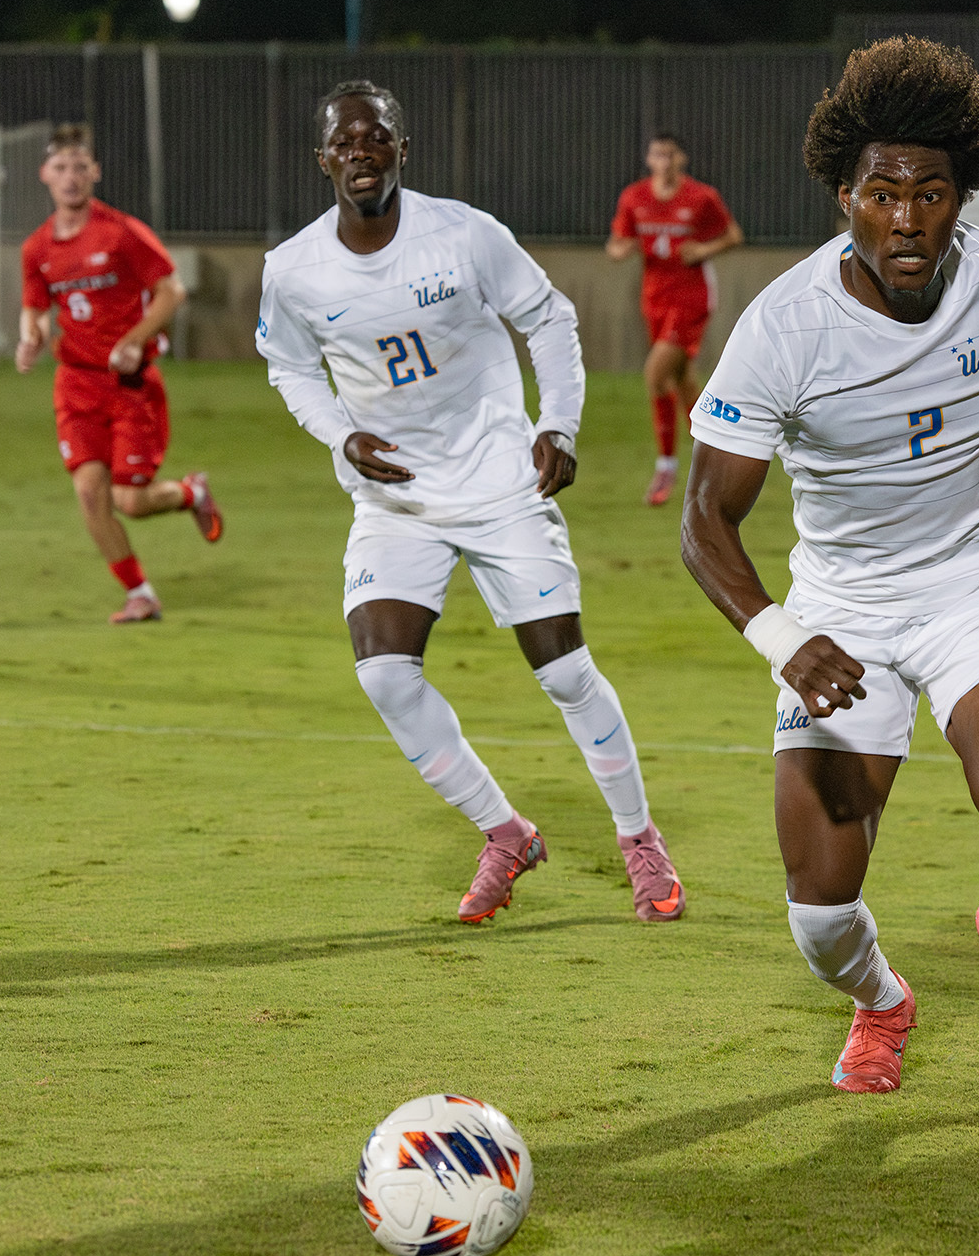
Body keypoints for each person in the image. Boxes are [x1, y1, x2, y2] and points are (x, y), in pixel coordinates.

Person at [680, 37, 979, 1094]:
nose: (907, 219)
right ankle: (883, 1001)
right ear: (844, 198)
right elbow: (705, 517)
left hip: (975, 586)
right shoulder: (783, 330)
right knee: (819, 918)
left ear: (962, 200)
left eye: (931, 194)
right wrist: (782, 636)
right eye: (883, 194)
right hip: (840, 614)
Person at [258, 80, 683, 926]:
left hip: (499, 483)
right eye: (344, 142)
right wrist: (340, 434)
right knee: (385, 674)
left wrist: (558, 425)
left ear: (401, 150)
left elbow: (550, 320)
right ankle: (506, 833)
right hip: (396, 500)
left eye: (376, 138)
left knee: (564, 671)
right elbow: (291, 367)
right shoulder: (292, 269)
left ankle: (639, 839)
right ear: (323, 161)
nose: (360, 153)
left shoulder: (464, 234)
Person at [17, 123, 223, 623]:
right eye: (61, 167)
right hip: (76, 384)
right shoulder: (37, 248)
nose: (70, 177)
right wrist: (31, 337)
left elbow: (171, 291)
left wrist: (134, 339)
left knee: (130, 501)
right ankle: (140, 594)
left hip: (131, 386)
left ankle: (191, 492)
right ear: (45, 174)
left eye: (79, 167)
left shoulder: (122, 233)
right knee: (90, 493)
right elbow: (35, 307)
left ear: (95, 172)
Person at [607, 133, 744, 506]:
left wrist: (703, 249)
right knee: (683, 382)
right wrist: (621, 249)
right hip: (654, 298)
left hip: (691, 298)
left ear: (681, 159)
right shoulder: (634, 197)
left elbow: (733, 235)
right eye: (657, 154)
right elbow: (618, 242)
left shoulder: (701, 197)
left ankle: (666, 466)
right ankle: (716, 461)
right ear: (648, 159)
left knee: (655, 375)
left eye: (670, 155)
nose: (664, 162)